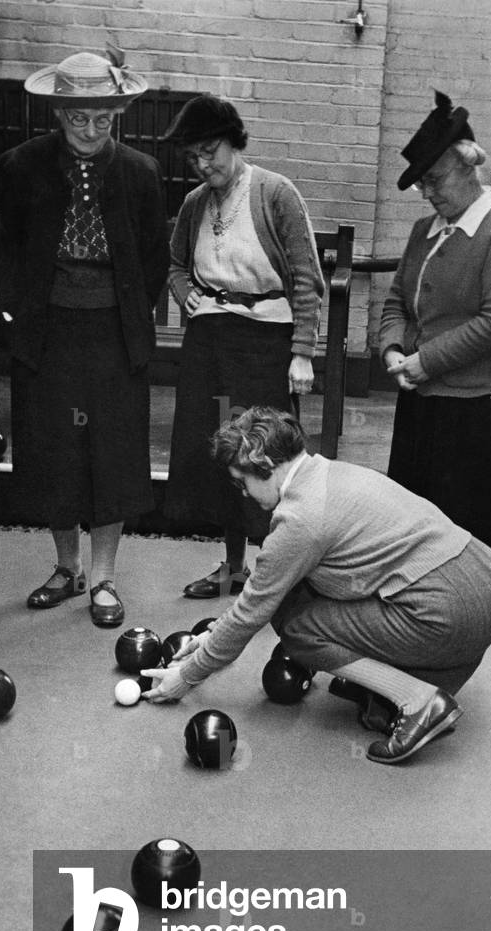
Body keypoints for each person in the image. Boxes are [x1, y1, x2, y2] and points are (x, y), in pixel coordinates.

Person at [142, 407, 491, 765]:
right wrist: (211, 636)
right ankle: (385, 681)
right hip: (486, 584)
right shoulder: (328, 470)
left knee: (296, 628)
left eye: (242, 482)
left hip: (450, 614)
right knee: (295, 594)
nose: (242, 494)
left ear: (267, 467)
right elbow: (269, 587)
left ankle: (419, 701)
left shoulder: (299, 520)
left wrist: (185, 678)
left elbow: (252, 611)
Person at [0, 50, 169, 627]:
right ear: (58, 112)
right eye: (77, 119)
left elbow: (152, 259)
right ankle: (67, 568)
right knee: (52, 449)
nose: (90, 131)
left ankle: (104, 576)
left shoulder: (141, 172)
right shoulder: (19, 166)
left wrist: (130, 317)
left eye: (102, 119)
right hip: (47, 334)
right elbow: (4, 251)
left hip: (115, 335)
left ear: (116, 113)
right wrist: (19, 310)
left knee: (113, 453)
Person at [161, 95, 324, 599]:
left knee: (267, 455)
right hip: (209, 338)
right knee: (221, 456)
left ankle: (279, 570)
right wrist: (185, 292)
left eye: (211, 151)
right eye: (193, 157)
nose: (203, 164)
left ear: (235, 140)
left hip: (265, 340)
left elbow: (306, 278)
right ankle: (232, 567)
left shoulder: (276, 193)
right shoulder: (193, 203)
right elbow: (175, 265)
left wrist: (301, 351)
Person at [379, 91, 491, 567]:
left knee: (471, 546)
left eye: (434, 179)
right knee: (416, 537)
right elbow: (395, 302)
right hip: (422, 402)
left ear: (469, 165)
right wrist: (391, 350)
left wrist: (424, 361)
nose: (428, 193)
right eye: (422, 184)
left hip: (482, 412)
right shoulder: (424, 230)